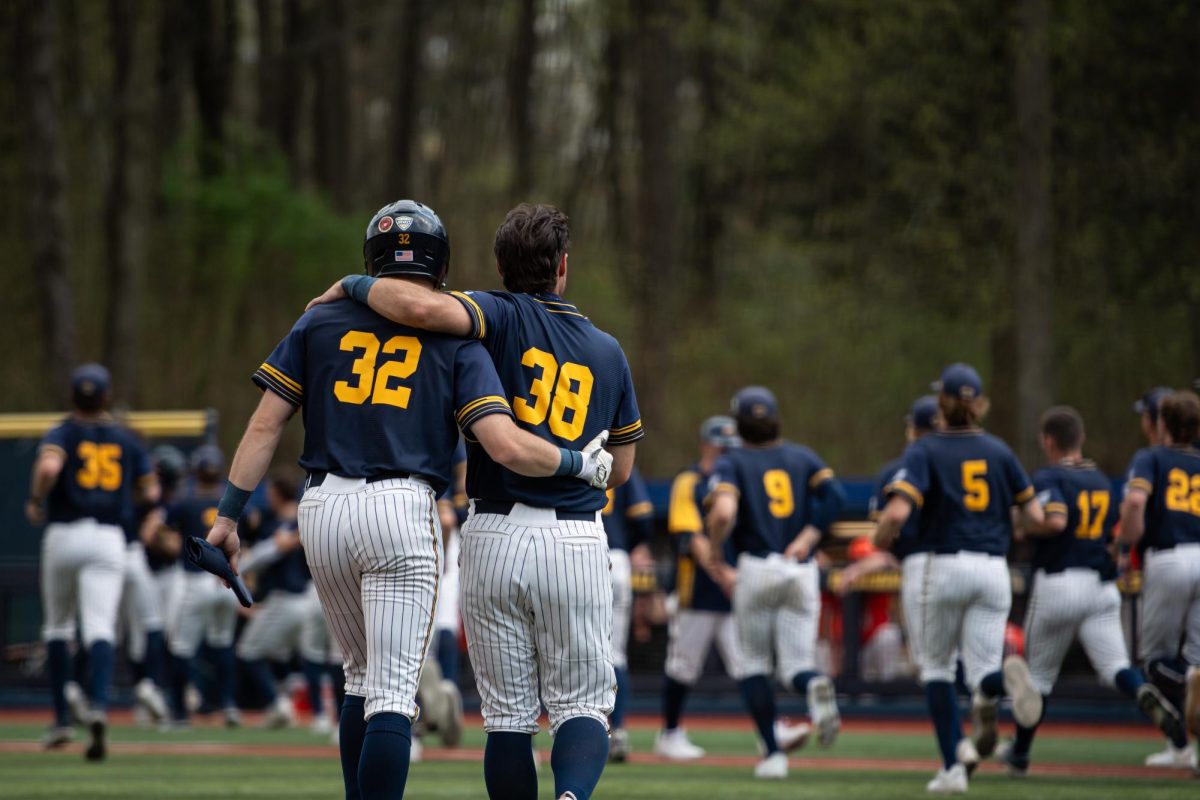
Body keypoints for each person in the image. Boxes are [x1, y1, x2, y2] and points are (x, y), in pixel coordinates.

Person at [207, 200, 611, 800]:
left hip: (321, 508)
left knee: (358, 678)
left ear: (371, 257)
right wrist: (579, 463)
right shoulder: (462, 340)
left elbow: (264, 427)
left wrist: (227, 517)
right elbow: (500, 441)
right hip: (403, 508)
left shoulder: (318, 321)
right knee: (393, 693)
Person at [308, 202, 643, 800]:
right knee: (583, 702)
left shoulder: (492, 315)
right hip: (574, 536)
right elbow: (620, 471)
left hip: (492, 533)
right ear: (563, 267)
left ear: (498, 265)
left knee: (508, 716)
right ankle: (571, 796)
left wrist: (354, 283)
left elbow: (414, 305)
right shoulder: (609, 350)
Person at [874, 363, 1045, 795]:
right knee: (982, 670)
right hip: (992, 568)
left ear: (942, 403)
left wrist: (881, 536)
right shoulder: (1000, 451)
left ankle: (953, 765)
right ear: (979, 404)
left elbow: (897, 512)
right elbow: (1035, 515)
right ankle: (1002, 681)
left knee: (936, 669)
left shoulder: (926, 449)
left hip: (940, 566)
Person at [995, 406, 1182, 775]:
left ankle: (1020, 753)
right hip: (1101, 586)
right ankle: (1157, 713)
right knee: (1116, 667)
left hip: (1059, 584)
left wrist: (1021, 523)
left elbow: (1055, 521)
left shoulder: (1050, 475)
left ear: (1049, 441)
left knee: (1037, 679)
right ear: (1079, 440)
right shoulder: (1098, 479)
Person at [703, 386, 846, 780]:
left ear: (738, 424)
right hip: (799, 568)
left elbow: (723, 513)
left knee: (754, 665)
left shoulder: (733, 462)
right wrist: (809, 538)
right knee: (797, 665)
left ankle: (773, 754)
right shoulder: (802, 456)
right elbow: (835, 495)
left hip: (758, 568)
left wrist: (715, 550)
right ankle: (815, 683)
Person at [657, 415, 810, 761]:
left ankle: (769, 732)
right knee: (683, 665)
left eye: (731, 445)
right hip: (697, 588)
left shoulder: (739, 476)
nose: (725, 451)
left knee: (748, 664)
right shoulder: (691, 480)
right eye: (719, 444)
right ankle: (670, 732)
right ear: (705, 444)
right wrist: (720, 571)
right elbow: (690, 534)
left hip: (736, 586)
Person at [28, 363, 158, 760]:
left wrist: (36, 499)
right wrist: (126, 502)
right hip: (108, 537)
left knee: (58, 627)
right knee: (100, 627)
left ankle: (62, 720)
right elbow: (150, 491)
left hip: (65, 532)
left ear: (72, 397)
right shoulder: (126, 439)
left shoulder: (63, 431)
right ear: (106, 396)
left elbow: (50, 466)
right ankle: (98, 704)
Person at [1119, 389, 1200, 771]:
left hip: (1169, 558)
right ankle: (1184, 747)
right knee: (1197, 658)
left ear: (1163, 424)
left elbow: (1136, 503)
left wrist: (1125, 543)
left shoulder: (1151, 457)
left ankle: (1188, 684)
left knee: (1154, 663)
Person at [163, 445, 242, 728]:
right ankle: (230, 705)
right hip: (226, 582)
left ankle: (180, 714)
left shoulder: (184, 502)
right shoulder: (230, 501)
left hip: (195, 581)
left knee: (181, 647)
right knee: (222, 643)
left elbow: (168, 540)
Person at [235, 473, 311, 729]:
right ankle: (290, 703)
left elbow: (267, 553)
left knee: (248, 651)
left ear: (278, 493)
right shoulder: (305, 518)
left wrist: (238, 567)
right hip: (307, 599)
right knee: (283, 654)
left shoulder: (290, 524)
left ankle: (279, 705)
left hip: (287, 598)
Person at [601, 466, 655, 762]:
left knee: (564, 650)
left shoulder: (562, 447)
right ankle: (618, 729)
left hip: (570, 549)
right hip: (616, 556)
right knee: (615, 653)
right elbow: (644, 520)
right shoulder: (618, 458)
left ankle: (573, 729)